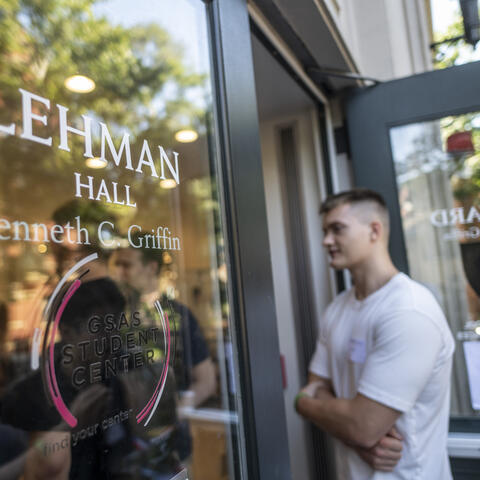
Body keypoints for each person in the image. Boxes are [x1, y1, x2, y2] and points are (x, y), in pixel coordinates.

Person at [295, 188, 455, 480]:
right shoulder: (337, 309)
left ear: (374, 230)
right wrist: (354, 436)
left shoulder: (409, 310)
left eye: (337, 229)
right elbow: (313, 389)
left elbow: (362, 424)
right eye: (325, 231)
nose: (326, 241)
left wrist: (313, 406)